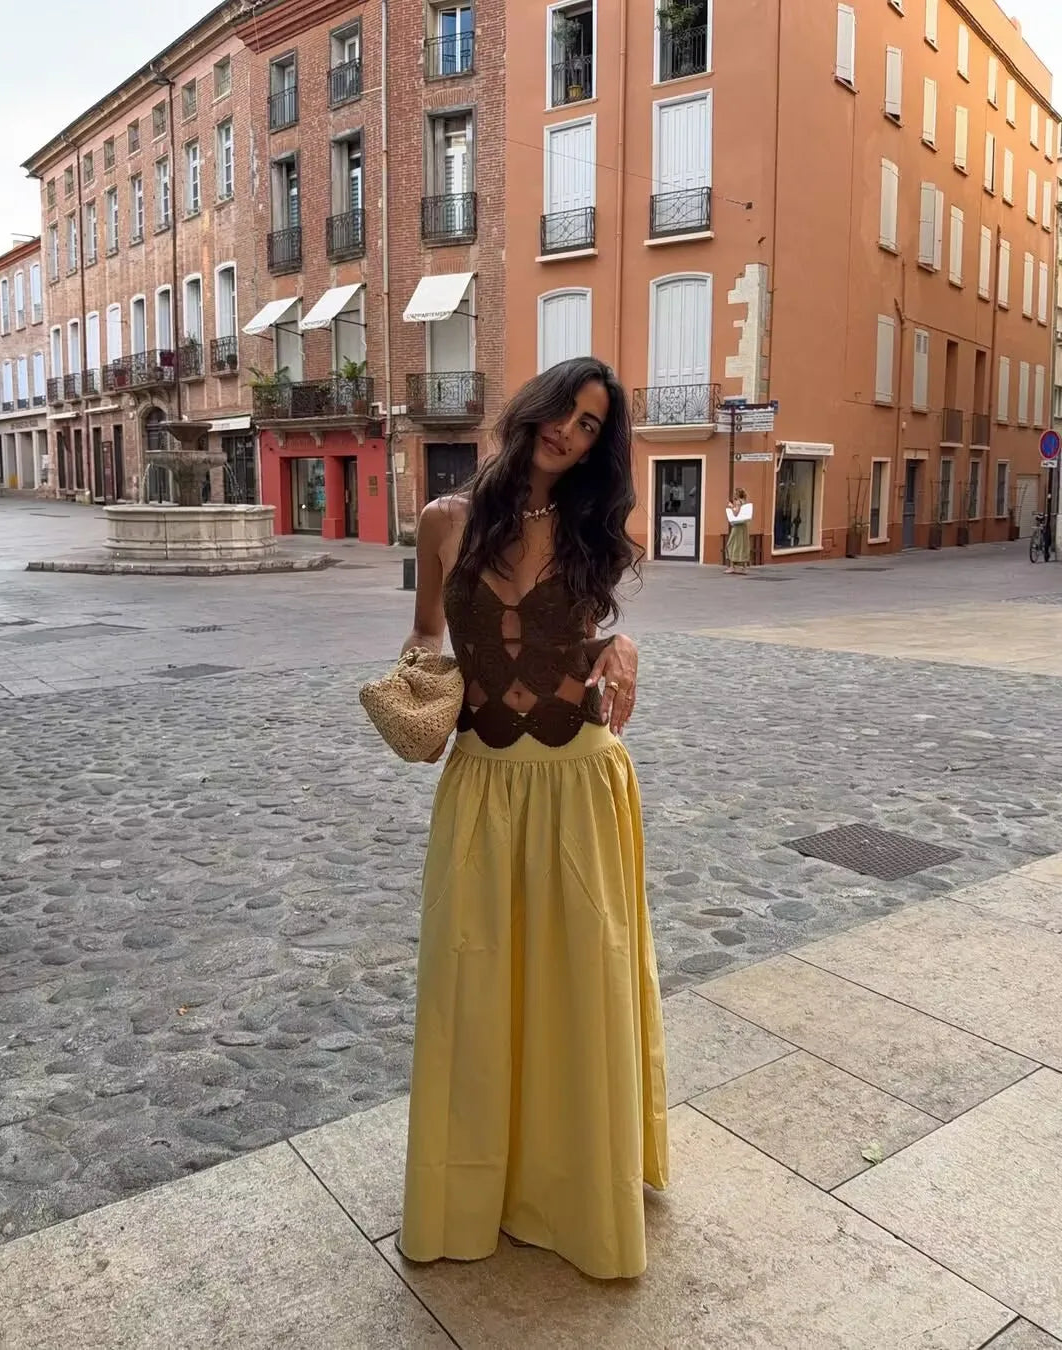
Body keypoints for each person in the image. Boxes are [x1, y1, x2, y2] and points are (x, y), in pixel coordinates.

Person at [397, 356, 669, 1280]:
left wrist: (624, 645)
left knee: (578, 987)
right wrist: (414, 684)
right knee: (472, 987)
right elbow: (427, 632)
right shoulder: (445, 520)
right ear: (534, 406)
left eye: (591, 427)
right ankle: (475, 1192)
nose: (570, 432)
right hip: (480, 779)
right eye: (565, 411)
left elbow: (590, 637)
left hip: (578, 778)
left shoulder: (593, 526)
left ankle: (577, 1192)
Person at [725, 487, 752, 575]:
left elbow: (736, 513)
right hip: (744, 527)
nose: (733, 494)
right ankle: (744, 568)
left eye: (735, 493)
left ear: (737, 494)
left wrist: (731, 506)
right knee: (743, 545)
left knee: (731, 544)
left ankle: (732, 567)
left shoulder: (738, 502)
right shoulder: (744, 502)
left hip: (737, 527)